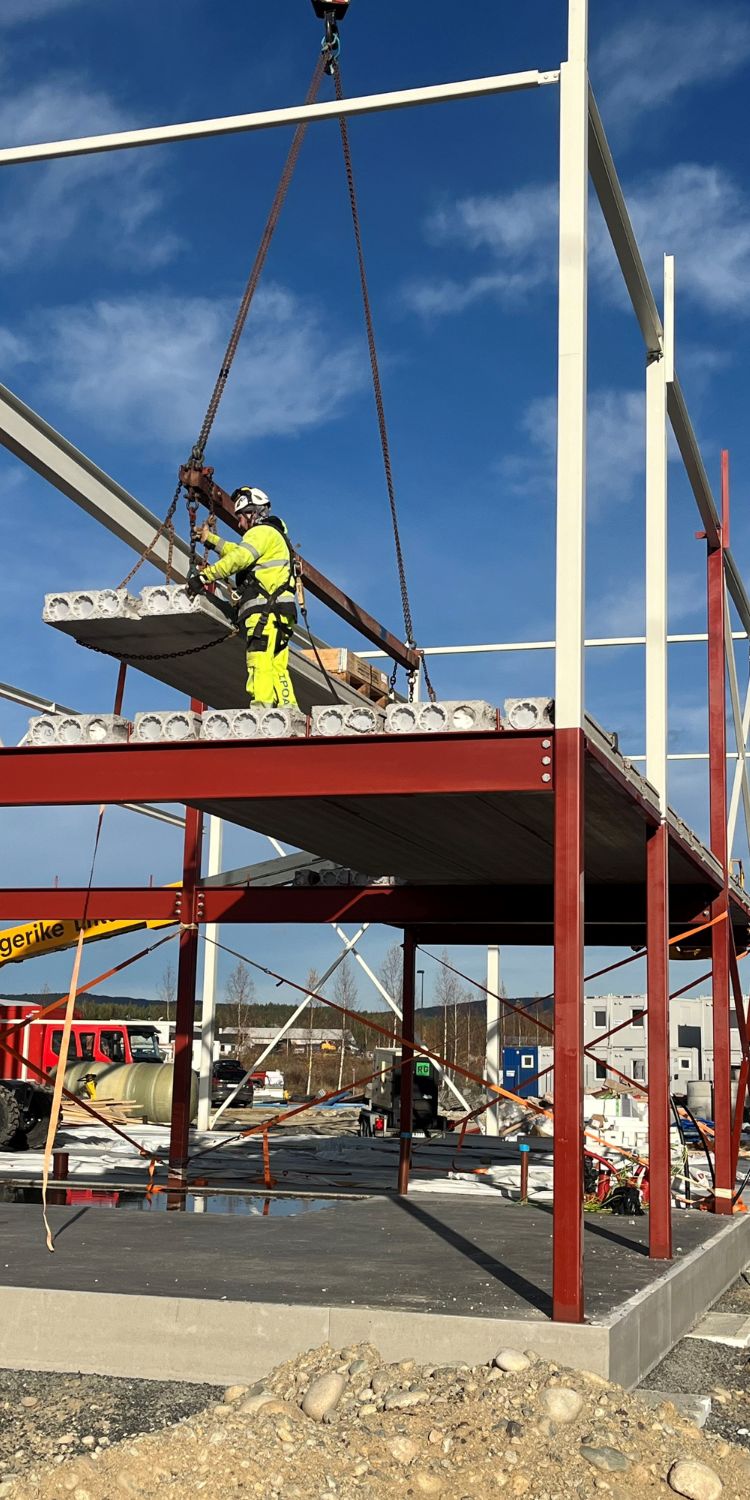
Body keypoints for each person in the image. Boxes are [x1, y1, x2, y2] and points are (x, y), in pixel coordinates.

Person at [196, 487, 298, 707]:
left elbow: (240, 558)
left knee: (258, 657)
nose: (239, 524)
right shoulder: (274, 536)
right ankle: (290, 713)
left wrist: (204, 576)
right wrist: (211, 540)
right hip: (281, 614)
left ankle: (261, 709)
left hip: (265, 612)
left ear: (253, 513)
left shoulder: (260, 533)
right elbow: (239, 552)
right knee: (276, 664)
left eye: (241, 517)